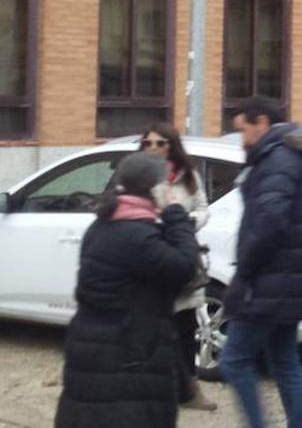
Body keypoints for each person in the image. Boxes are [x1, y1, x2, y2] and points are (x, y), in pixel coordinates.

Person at [55, 152, 199, 428]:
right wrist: (176, 214)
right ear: (156, 189)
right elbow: (183, 267)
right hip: (126, 354)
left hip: (100, 346)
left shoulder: (107, 223)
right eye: (165, 184)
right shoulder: (136, 236)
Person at [221, 97, 302, 428]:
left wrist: (244, 273)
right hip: (290, 280)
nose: (241, 140)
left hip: (266, 282)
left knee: (234, 360)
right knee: (283, 359)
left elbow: (269, 221)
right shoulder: (295, 158)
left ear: (261, 123)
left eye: (242, 130)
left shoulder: (278, 160)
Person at [141, 122, 217, 412]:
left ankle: (189, 391)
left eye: (160, 143)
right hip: (151, 256)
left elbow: (202, 208)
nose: (153, 148)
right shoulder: (139, 174)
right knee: (152, 329)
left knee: (185, 328)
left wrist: (186, 223)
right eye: (148, 143)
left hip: (182, 255)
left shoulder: (188, 176)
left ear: (172, 146)